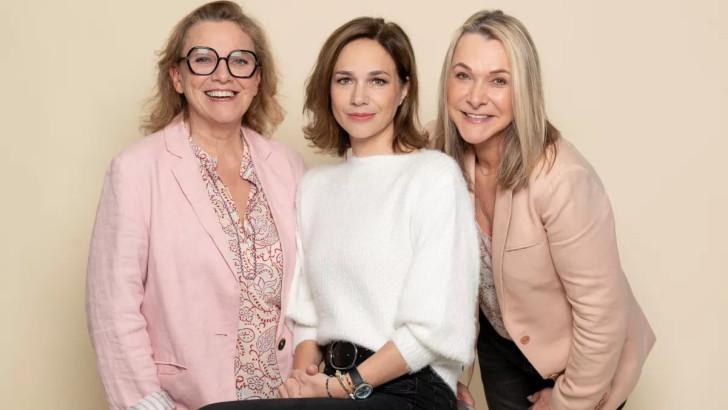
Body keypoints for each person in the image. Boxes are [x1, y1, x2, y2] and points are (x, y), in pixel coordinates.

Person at [201, 16, 479, 410]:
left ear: (403, 90)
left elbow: (431, 330)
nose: (358, 97)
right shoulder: (315, 187)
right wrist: (301, 383)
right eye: (344, 80)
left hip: (409, 388)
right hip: (334, 386)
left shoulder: (432, 176)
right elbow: (307, 312)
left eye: (378, 81)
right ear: (327, 90)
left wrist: (340, 388)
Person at [433, 10, 656, 410]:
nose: (475, 96)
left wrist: (568, 401)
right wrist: (449, 375)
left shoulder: (562, 180)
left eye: (499, 81)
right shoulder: (441, 157)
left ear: (525, 91)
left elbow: (602, 317)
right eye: (463, 75)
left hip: (585, 361)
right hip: (501, 348)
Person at [85, 2, 305, 409]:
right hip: (183, 402)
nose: (223, 75)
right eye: (203, 60)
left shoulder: (288, 167)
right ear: (178, 77)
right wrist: (147, 403)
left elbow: (312, 291)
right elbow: (112, 308)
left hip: (284, 398)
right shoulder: (135, 171)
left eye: (240, 61)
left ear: (257, 79)